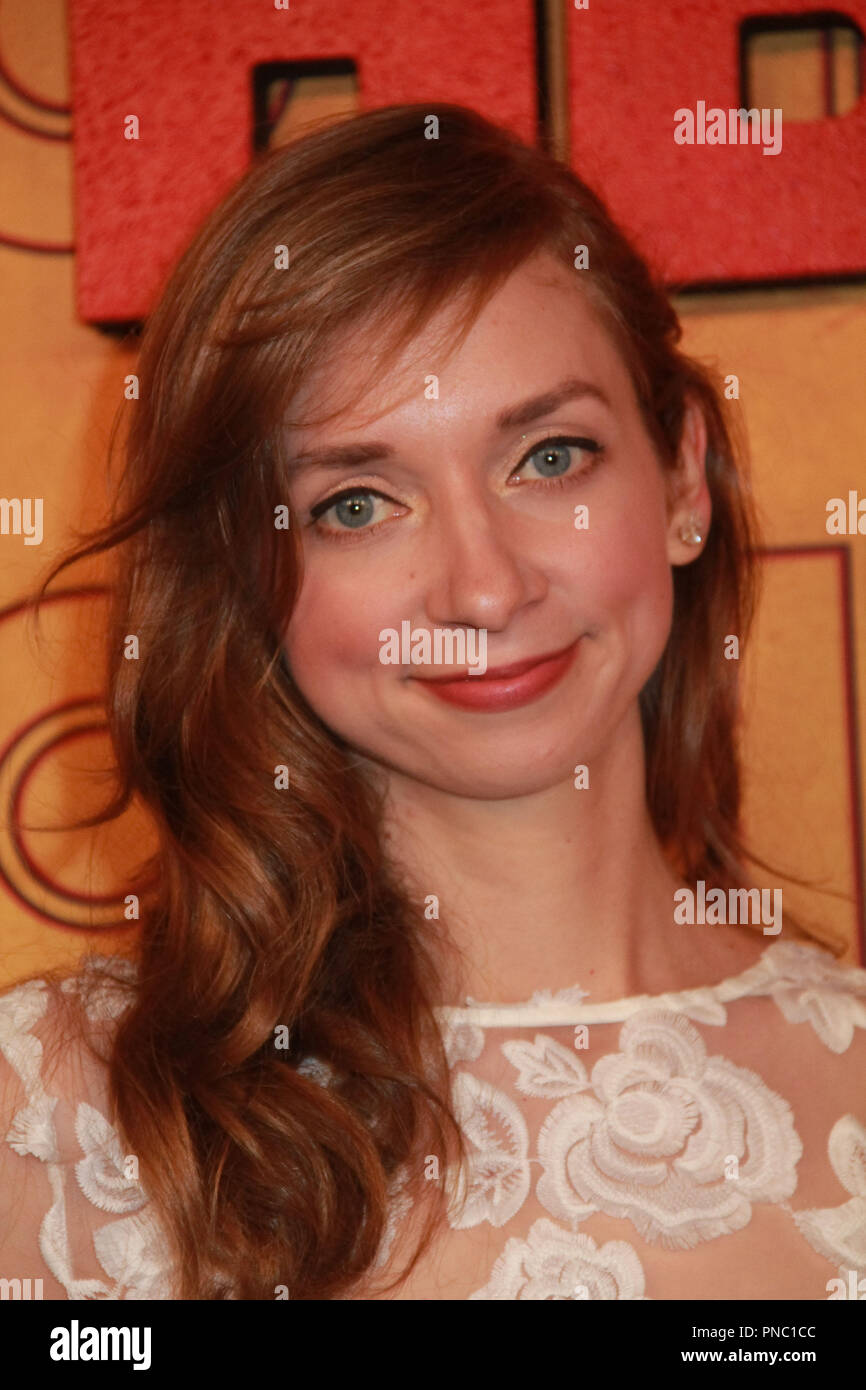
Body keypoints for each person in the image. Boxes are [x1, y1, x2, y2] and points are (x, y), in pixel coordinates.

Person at [1, 103, 864, 1302]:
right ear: (248, 575)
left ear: (680, 474)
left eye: (548, 456)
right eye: (358, 501)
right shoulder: (57, 1118)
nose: (483, 584)